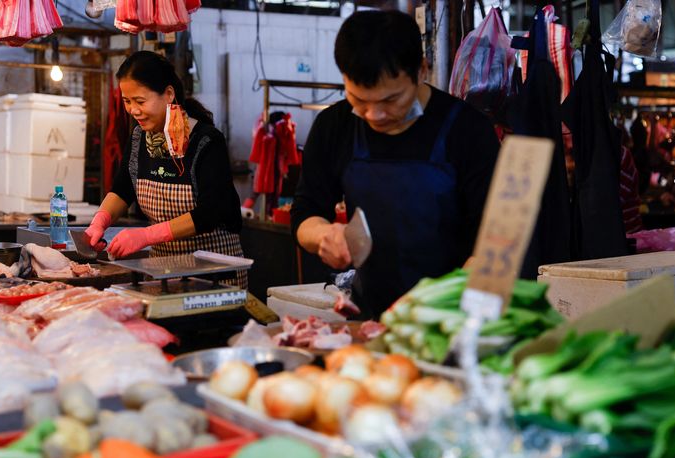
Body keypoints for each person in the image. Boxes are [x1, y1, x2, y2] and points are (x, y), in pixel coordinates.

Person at [291, 10, 501, 317]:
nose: (374, 115)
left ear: (422, 71)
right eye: (358, 100)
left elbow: (495, 240)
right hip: (369, 315)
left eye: (390, 100)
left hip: (454, 315)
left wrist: (443, 303)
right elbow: (305, 213)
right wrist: (323, 234)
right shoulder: (334, 126)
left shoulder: (468, 130)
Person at [84, 51, 246, 288]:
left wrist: (147, 236)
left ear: (168, 94)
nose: (133, 110)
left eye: (140, 101)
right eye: (127, 102)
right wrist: (100, 221)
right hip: (163, 272)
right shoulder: (140, 137)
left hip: (214, 273)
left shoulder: (206, 140)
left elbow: (212, 212)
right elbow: (122, 189)